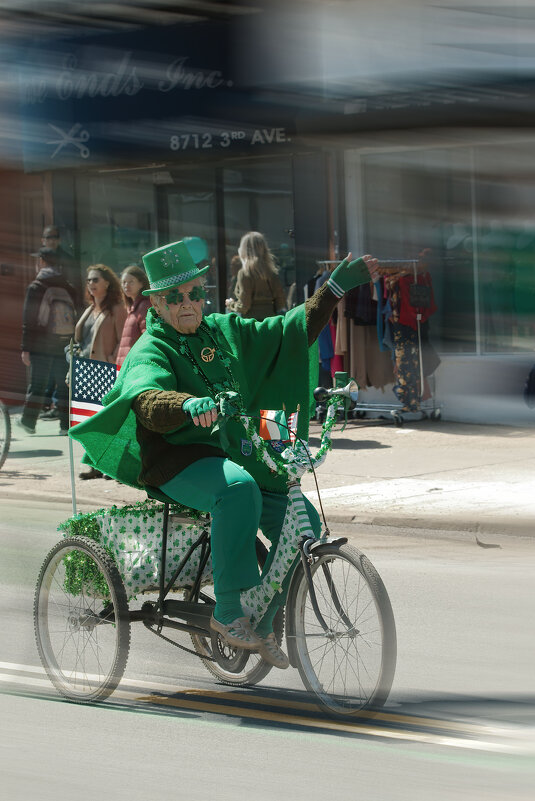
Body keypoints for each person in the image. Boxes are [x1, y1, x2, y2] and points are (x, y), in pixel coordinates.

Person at [69, 240, 377, 667]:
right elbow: (146, 397)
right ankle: (229, 612)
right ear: (156, 303)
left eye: (195, 293)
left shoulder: (222, 330)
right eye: (175, 298)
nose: (188, 303)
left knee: (302, 521)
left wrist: (333, 290)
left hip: (237, 451)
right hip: (178, 459)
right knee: (236, 489)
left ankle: (264, 621)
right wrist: (184, 404)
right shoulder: (151, 347)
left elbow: (286, 333)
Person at [75, 264, 127, 479]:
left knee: (108, 420)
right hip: (86, 370)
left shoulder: (116, 308)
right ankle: (95, 465)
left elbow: (123, 340)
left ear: (107, 282)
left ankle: (111, 466)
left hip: (105, 371)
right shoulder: (90, 309)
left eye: (95, 279)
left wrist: (111, 361)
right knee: (89, 420)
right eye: (88, 280)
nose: (91, 284)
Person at [19, 247, 77, 435]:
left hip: (41, 344)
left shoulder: (36, 286)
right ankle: (66, 426)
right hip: (64, 342)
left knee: (37, 384)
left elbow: (29, 320)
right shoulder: (68, 286)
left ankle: (28, 422)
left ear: (42, 262)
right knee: (64, 384)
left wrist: (26, 348)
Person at [225, 231, 287, 320]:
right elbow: (280, 302)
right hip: (271, 323)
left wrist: (230, 304)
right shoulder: (271, 272)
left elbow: (244, 306)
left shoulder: (245, 273)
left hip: (252, 326)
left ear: (244, 250)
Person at [116, 265, 150, 367]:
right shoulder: (132, 307)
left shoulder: (144, 305)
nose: (126, 285)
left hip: (134, 366)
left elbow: (147, 338)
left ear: (141, 283)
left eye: (131, 282)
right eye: (124, 282)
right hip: (126, 366)